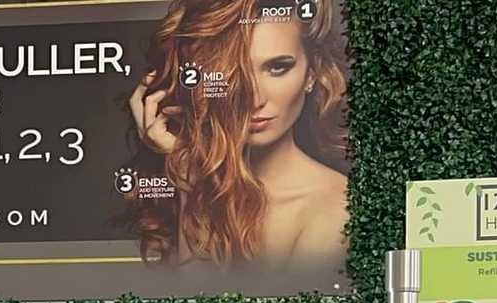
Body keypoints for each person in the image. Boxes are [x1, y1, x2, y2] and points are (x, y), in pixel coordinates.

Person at [125, 0, 349, 272]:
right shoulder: (185, 187)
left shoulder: (335, 209)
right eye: (232, 73)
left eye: (277, 67)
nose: (255, 98)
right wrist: (187, 172)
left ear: (311, 73)